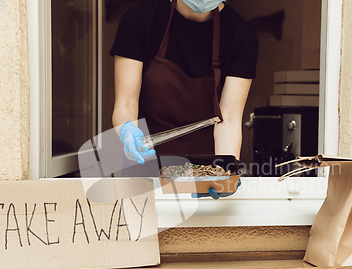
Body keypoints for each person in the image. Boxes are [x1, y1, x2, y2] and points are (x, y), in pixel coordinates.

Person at [110, 0, 258, 198]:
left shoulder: (241, 36)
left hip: (202, 173)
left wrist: (224, 172)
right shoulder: (139, 21)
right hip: (145, 167)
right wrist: (127, 131)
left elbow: (229, 118)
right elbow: (126, 102)